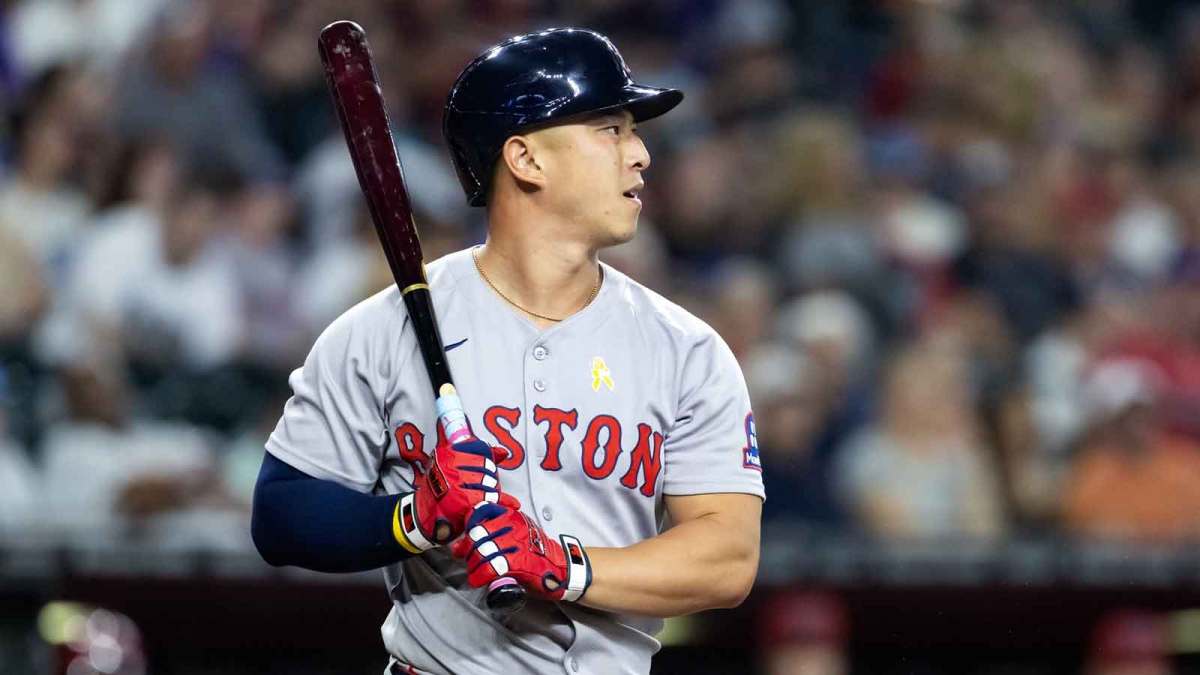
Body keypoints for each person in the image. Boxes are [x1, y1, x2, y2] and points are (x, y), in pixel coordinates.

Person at [251, 28, 764, 675]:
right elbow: (281, 513)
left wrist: (562, 564)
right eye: (610, 128)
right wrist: (412, 517)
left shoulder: (686, 349)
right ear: (525, 158)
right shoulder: (383, 330)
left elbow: (728, 557)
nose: (640, 154)